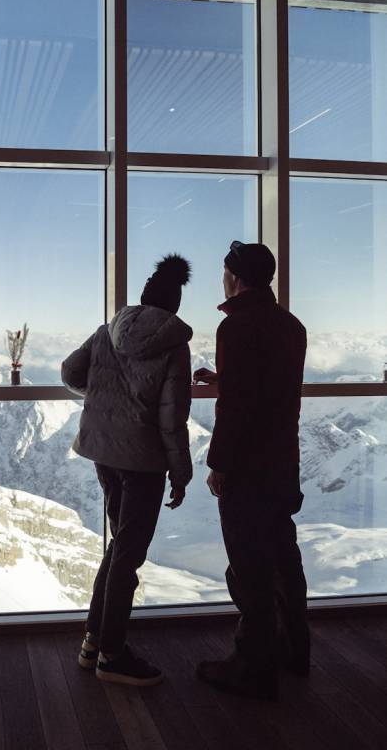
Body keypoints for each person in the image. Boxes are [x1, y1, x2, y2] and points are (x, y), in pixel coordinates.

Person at [62, 254, 193, 686]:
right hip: (143, 463)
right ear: (173, 305)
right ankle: (113, 655)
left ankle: (94, 643)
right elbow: (172, 418)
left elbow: (69, 371)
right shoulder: (174, 344)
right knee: (128, 556)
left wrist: (102, 400)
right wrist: (181, 471)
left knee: (120, 547)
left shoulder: (107, 331)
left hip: (105, 455)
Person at [193, 241, 309, 700]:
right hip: (283, 461)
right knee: (283, 557)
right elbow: (269, 389)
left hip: (247, 466)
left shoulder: (236, 327)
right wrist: (221, 379)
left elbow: (238, 406)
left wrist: (219, 463)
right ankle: (294, 650)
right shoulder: (291, 326)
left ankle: (253, 666)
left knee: (248, 567)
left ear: (234, 277)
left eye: (224, 272)